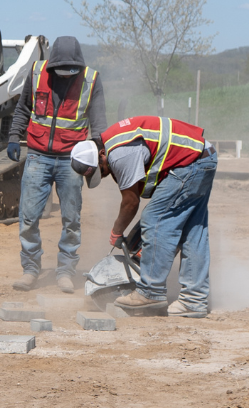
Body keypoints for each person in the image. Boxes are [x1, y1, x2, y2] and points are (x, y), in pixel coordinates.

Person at [69, 114, 217, 317]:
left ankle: (150, 292)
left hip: (190, 163)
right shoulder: (115, 142)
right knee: (192, 231)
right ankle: (194, 300)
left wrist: (117, 231)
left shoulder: (119, 154)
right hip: (203, 158)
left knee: (154, 219)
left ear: (102, 154)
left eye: (101, 170)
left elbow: (131, 202)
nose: (103, 175)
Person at [6, 36, 105, 293]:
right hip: (38, 155)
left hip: (71, 159)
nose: (65, 76)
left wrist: (98, 154)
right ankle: (30, 269)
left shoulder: (91, 80)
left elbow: (99, 123)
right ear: (52, 65)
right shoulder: (37, 72)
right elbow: (22, 109)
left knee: (71, 218)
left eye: (71, 71)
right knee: (28, 217)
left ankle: (65, 272)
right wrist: (14, 137)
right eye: (61, 71)